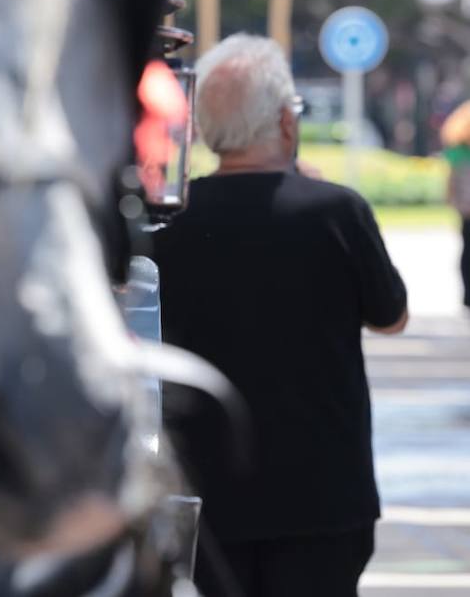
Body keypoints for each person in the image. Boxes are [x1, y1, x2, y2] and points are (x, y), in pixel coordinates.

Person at [150, 33, 408, 597]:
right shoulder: (337, 211)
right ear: (286, 123)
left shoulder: (170, 225)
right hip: (323, 493)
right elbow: (391, 316)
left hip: (208, 490)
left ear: (202, 129)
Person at [440, 99, 470, 310]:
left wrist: (453, 202)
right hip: (466, 208)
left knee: (467, 250)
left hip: (465, 209)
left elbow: (450, 183)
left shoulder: (456, 153)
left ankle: (468, 295)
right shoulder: (458, 153)